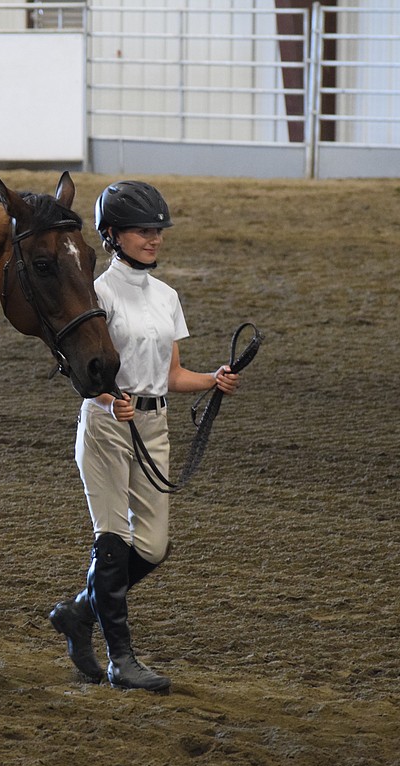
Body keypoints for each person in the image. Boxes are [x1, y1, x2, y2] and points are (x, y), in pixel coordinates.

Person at [49, 180, 241, 692]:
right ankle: (121, 660)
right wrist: (112, 398)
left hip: (154, 428)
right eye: (142, 231)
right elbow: (84, 371)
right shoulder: (97, 293)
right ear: (112, 235)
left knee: (153, 548)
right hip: (109, 427)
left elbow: (172, 376)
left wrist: (212, 380)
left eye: (157, 230)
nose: (154, 239)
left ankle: (77, 612)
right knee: (112, 544)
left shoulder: (167, 297)